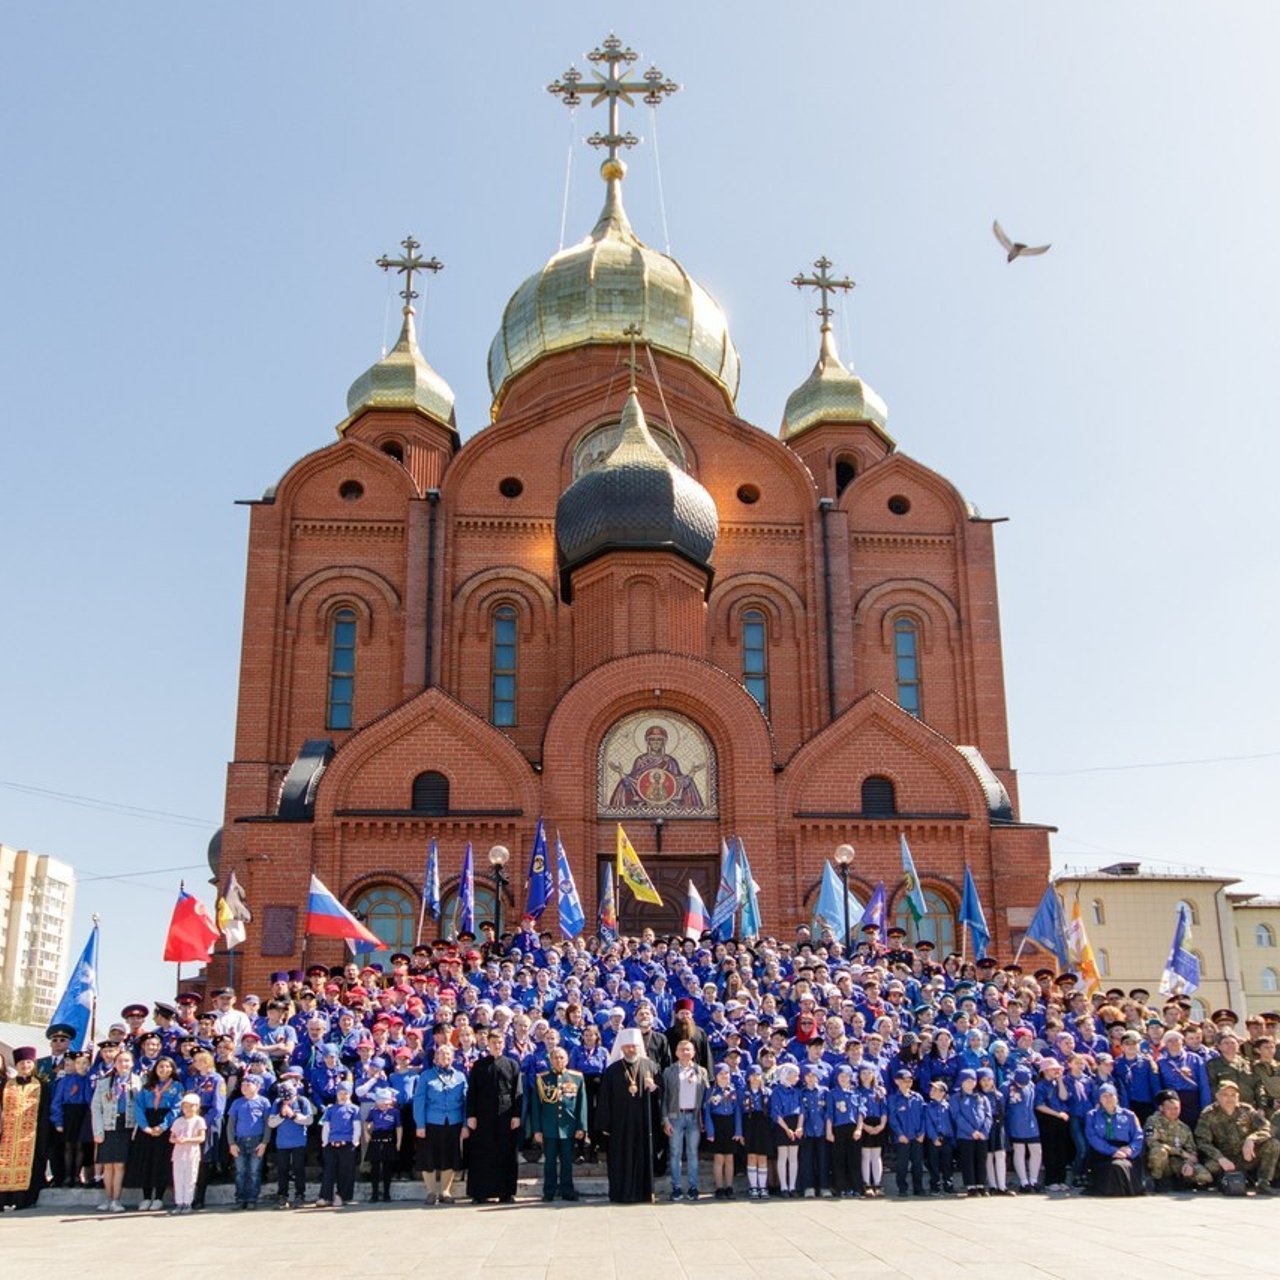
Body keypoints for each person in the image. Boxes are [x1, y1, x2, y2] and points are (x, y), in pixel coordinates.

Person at [598, 1027, 660, 1204]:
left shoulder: (650, 1066)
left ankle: (644, 1193)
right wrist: (606, 1125)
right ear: (621, 1048)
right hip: (620, 1124)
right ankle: (621, 1193)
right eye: (627, 1047)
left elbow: (661, 1093)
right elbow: (605, 1099)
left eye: (633, 1046)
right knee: (621, 1158)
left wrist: (654, 1087)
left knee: (643, 1157)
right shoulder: (612, 1070)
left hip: (643, 1122)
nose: (630, 1050)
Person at [465, 1028, 522, 1203]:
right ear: (488, 1044)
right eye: (493, 1043)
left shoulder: (512, 1064)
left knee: (506, 1152)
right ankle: (480, 1193)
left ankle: (506, 1192)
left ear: (503, 1044)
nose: (497, 1046)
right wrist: (471, 1115)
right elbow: (472, 1092)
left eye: (500, 1043)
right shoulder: (479, 1065)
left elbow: (517, 1092)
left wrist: (516, 1115)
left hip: (506, 1115)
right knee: (482, 1152)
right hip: (483, 1115)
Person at [1195, 1079, 1278, 1193]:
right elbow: (1202, 1141)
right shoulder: (1208, 1114)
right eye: (1225, 1095)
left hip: (1246, 1156)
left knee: (1273, 1144)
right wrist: (1220, 1158)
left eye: (1233, 1095)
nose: (1230, 1098)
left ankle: (1263, 1182)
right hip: (1223, 1158)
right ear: (1217, 1096)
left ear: (1238, 1096)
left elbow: (1267, 1128)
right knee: (1210, 1166)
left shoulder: (1246, 1110)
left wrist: (1251, 1139)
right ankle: (1221, 1180)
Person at [530, 1045, 587, 1202]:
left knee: (567, 1161)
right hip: (549, 1127)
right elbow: (536, 1106)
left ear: (567, 1059)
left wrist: (582, 1126)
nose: (559, 1060)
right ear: (550, 1060)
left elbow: (582, 1104)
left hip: (568, 1127)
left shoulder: (577, 1078)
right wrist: (537, 1129)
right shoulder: (542, 1078)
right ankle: (549, 1191)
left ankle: (567, 1190)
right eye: (555, 1057)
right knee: (549, 1162)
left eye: (562, 1057)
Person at [90, 1046, 143, 1212]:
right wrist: (98, 1131)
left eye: (127, 1061)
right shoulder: (105, 1082)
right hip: (108, 1125)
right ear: (115, 1063)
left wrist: (137, 1128)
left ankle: (116, 1199)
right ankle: (107, 1198)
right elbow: (96, 1107)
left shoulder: (139, 1082)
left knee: (119, 1164)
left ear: (133, 1063)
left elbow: (141, 1107)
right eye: (120, 1061)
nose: (123, 1064)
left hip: (126, 1126)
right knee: (108, 1165)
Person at [414, 1043, 467, 1205]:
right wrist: (420, 1125)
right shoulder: (426, 1076)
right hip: (431, 1122)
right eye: (442, 1055)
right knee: (428, 1158)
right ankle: (431, 1192)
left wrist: (465, 1125)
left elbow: (466, 1103)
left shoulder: (460, 1076)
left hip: (453, 1122)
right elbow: (419, 1101)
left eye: (448, 1055)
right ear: (436, 1059)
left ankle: (445, 1191)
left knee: (449, 1157)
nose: (445, 1058)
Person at [131, 1056, 183, 1210]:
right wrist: (145, 1126)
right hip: (148, 1123)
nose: (164, 1069)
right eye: (161, 1066)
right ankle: (146, 1197)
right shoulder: (147, 1086)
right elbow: (138, 1106)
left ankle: (159, 1197)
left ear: (172, 1069)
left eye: (168, 1067)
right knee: (146, 1160)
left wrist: (163, 1126)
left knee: (162, 1160)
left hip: (164, 1124)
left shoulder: (177, 1086)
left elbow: (176, 1108)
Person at [0, 1048, 47, 1211]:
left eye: (28, 1062)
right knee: (4, 1164)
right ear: (16, 1065)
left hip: (31, 1134)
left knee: (29, 1166)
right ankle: (3, 1199)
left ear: (33, 1064)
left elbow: (45, 1111)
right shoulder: (7, 1084)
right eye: (21, 1063)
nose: (25, 1066)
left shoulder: (41, 1084)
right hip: (9, 1133)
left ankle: (23, 1200)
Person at [663, 1038, 710, 1200]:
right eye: (681, 1049)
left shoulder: (701, 1071)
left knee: (692, 1152)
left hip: (694, 1117)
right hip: (675, 1116)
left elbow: (706, 1096)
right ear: (676, 1053)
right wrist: (665, 1119)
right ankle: (676, 1187)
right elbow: (665, 1097)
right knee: (675, 1153)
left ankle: (693, 1186)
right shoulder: (669, 1071)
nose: (685, 1052)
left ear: (694, 1053)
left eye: (688, 1049)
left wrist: (704, 1119)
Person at [1083, 1084, 1145, 1196]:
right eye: (1104, 1096)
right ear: (1100, 1099)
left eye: (1111, 1095)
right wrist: (1113, 1151)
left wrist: (1130, 1150)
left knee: (1122, 1165)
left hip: (1126, 1151)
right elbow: (1092, 1137)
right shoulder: (1092, 1116)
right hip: (1103, 1153)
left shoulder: (1129, 1115)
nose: (1108, 1099)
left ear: (1116, 1097)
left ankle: (1129, 1189)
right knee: (1115, 1166)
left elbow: (1138, 1136)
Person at [1144, 1089, 1211, 1191]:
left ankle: (1181, 1181)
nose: (1173, 1111)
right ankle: (1157, 1181)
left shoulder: (1184, 1128)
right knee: (1159, 1152)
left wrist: (1188, 1163)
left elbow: (1192, 1152)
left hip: (1178, 1162)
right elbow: (1151, 1142)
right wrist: (1179, 1152)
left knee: (1205, 1176)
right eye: (1169, 1108)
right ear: (1161, 1108)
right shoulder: (1153, 1121)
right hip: (1161, 1161)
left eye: (1176, 1108)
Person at [266, 1073, 313, 1208]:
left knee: (299, 1168)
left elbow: (309, 1120)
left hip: (299, 1141)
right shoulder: (277, 1103)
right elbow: (271, 1123)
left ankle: (300, 1194)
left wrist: (293, 1116)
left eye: (289, 1099)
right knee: (283, 1169)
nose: (287, 1102)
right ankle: (282, 1195)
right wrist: (281, 1115)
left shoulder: (302, 1101)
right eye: (284, 1099)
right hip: (282, 1142)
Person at [50, 1049, 94, 1191]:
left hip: (83, 1114)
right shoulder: (64, 1081)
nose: (81, 1066)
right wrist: (58, 1121)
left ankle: (76, 1176)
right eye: (78, 1063)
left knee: (81, 1146)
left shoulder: (87, 1080)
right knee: (68, 1146)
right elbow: (57, 1102)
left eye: (84, 1063)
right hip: (69, 1114)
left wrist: (86, 1079)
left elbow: (89, 1099)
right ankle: (67, 1175)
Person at [226, 1072, 272, 1209]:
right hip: (239, 1141)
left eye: (248, 1085)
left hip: (256, 1141)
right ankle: (240, 1198)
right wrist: (231, 1143)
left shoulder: (263, 1102)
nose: (244, 1087)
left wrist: (264, 1143)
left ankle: (252, 1198)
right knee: (240, 1171)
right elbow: (231, 1124)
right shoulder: (237, 1103)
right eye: (243, 1085)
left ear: (257, 1086)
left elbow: (267, 1124)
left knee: (254, 1171)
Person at [318, 1080, 362, 1207]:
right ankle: (325, 1196)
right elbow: (326, 1125)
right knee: (329, 1171)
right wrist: (325, 1141)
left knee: (346, 1171)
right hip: (331, 1143)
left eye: (345, 1093)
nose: (343, 1096)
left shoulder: (354, 1109)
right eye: (340, 1093)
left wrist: (355, 1140)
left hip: (347, 1143)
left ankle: (341, 1195)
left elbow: (357, 1126)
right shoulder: (331, 1109)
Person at [703, 1061, 743, 1199]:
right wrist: (710, 1131)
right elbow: (707, 1112)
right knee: (719, 1158)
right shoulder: (711, 1091)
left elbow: (737, 1111)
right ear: (716, 1075)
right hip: (717, 1123)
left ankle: (729, 1187)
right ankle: (719, 1187)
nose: (724, 1076)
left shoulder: (733, 1091)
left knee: (730, 1158)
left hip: (730, 1124)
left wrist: (738, 1131)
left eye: (726, 1073)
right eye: (721, 1074)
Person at [887, 1066, 926, 1197]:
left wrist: (922, 1133)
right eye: (904, 1081)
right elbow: (893, 1119)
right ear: (897, 1081)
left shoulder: (918, 1098)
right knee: (902, 1165)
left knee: (917, 1164)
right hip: (903, 1137)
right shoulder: (893, 1099)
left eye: (910, 1081)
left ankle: (918, 1188)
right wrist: (900, 1134)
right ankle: (902, 1188)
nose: (908, 1083)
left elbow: (923, 1116)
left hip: (917, 1137)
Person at [825, 1063, 861, 1199]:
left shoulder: (855, 1093)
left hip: (852, 1128)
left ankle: (855, 1187)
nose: (844, 1079)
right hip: (838, 1128)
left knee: (854, 1159)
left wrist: (859, 1129)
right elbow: (829, 1113)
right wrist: (829, 1131)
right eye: (841, 1076)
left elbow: (860, 1113)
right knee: (838, 1159)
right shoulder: (832, 1094)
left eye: (846, 1076)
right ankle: (841, 1187)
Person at [1004, 1065, 1041, 1193]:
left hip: (1030, 1122)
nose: (1022, 1086)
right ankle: (1024, 1181)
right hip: (1015, 1122)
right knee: (1019, 1150)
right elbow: (1003, 1106)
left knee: (1036, 1150)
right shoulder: (1006, 1087)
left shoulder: (1030, 1085)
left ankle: (1034, 1180)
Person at [169, 1093, 206, 1214]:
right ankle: (179, 1202)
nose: (188, 1109)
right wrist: (177, 1140)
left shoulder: (199, 1121)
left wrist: (188, 1140)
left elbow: (201, 1138)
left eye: (191, 1106)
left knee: (190, 1178)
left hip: (192, 1153)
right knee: (178, 1178)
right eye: (185, 1106)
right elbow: (171, 1138)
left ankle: (187, 1202)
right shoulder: (178, 1121)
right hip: (179, 1153)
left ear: (197, 1107)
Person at [366, 1088, 403, 1203]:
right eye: (380, 1102)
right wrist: (366, 1133)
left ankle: (387, 1194)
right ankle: (374, 1194)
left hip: (389, 1138)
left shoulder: (395, 1112)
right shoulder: (373, 1111)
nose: (383, 1105)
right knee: (375, 1168)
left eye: (385, 1103)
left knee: (387, 1168)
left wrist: (398, 1142)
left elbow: (399, 1127)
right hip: (376, 1139)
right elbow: (367, 1122)